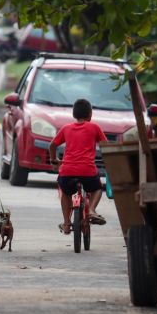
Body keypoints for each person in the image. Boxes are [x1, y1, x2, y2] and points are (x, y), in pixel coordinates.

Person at [49, 99, 108, 234]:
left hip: (67, 171)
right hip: (88, 171)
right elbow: (106, 146)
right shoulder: (94, 127)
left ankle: (66, 223)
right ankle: (91, 210)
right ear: (90, 114)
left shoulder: (66, 128)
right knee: (97, 189)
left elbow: (52, 145)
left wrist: (54, 160)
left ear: (74, 114)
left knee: (65, 192)